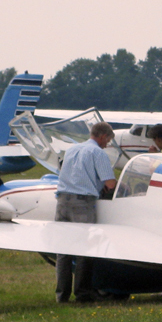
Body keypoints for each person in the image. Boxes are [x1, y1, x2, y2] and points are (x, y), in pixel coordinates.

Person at [54, 121, 117, 303]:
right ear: (103, 136)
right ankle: (83, 293)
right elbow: (110, 183)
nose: (107, 144)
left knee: (63, 251)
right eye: (108, 140)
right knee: (84, 249)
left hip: (62, 200)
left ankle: (62, 296)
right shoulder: (98, 152)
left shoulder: (72, 149)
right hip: (82, 203)